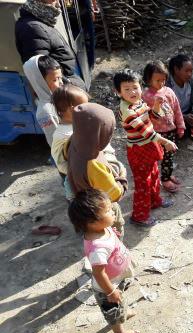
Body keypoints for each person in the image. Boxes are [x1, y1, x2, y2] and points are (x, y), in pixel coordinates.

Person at [68, 189, 137, 333]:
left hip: (117, 278)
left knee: (121, 298)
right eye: (108, 210)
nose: (112, 211)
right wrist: (110, 291)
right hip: (107, 287)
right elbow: (98, 273)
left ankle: (123, 311)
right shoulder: (97, 248)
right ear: (92, 222)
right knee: (113, 312)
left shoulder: (102, 228)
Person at [113, 69, 177, 227]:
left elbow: (151, 117)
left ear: (140, 87)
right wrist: (165, 142)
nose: (132, 92)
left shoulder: (138, 103)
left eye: (135, 87)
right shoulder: (127, 111)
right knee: (143, 183)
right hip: (139, 149)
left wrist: (156, 105)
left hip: (148, 146)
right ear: (118, 92)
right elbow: (147, 132)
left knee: (154, 174)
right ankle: (139, 216)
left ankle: (155, 201)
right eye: (127, 89)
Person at [67, 102, 127, 235]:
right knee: (114, 233)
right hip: (102, 209)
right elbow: (114, 194)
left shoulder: (74, 139)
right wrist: (122, 176)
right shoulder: (94, 165)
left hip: (84, 199)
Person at [15, 0, 86, 90]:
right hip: (65, 93)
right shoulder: (33, 28)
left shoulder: (40, 20)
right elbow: (43, 73)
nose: (58, 3)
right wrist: (71, 88)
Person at [142, 60, 185, 193]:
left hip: (170, 131)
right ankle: (154, 178)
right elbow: (144, 116)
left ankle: (166, 177)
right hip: (155, 134)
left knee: (169, 156)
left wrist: (181, 126)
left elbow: (177, 109)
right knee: (154, 157)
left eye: (163, 80)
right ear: (148, 80)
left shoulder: (169, 92)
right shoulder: (146, 96)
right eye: (157, 80)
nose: (161, 83)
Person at [23, 54, 63, 146]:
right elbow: (56, 144)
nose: (61, 82)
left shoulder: (57, 97)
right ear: (40, 82)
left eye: (60, 77)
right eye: (55, 80)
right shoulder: (45, 113)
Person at [166, 54, 193, 141]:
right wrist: (183, 117)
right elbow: (166, 111)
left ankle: (185, 132)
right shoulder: (167, 85)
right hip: (174, 117)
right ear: (176, 69)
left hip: (187, 113)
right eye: (186, 71)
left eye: (191, 71)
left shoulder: (192, 82)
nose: (190, 74)